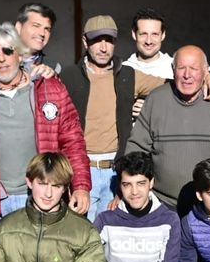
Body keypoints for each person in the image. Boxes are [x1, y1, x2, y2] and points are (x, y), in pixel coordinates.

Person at [0, 23, 91, 238]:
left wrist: (81, 186)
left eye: (8, 51)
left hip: (41, 198)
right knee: (1, 261)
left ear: (20, 55)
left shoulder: (49, 88)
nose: (1, 59)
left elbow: (72, 141)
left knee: (44, 259)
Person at [124, 45, 210, 212]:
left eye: (194, 68)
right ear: (173, 70)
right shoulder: (156, 99)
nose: (187, 75)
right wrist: (127, 189)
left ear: (206, 72)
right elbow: (136, 150)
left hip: (206, 204)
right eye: (181, 68)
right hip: (161, 203)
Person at [61, 15, 162, 220]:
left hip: (116, 172)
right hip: (81, 171)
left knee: (112, 233)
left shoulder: (128, 75)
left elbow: (174, 84)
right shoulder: (68, 77)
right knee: (80, 233)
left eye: (109, 40)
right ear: (85, 42)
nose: (103, 47)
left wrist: (209, 76)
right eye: (97, 40)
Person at [123, 7, 173, 79]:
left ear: (163, 35)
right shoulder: (122, 70)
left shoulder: (175, 69)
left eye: (154, 34)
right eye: (143, 34)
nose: (148, 41)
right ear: (134, 34)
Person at [15, 2, 61, 76]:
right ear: (19, 27)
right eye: (36, 26)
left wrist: (51, 79)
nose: (42, 33)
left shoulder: (53, 67)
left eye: (47, 29)